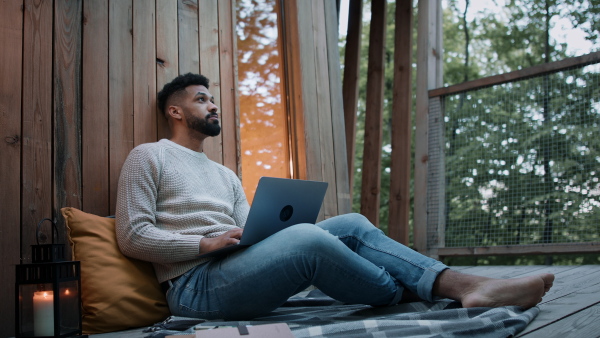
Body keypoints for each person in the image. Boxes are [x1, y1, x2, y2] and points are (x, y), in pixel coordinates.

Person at [116, 73, 554, 320]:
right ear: (175, 111)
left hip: (234, 269)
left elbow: (251, 232)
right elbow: (132, 236)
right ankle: (426, 289)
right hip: (193, 288)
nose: (213, 106)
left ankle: (464, 287)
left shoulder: (224, 174)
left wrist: (257, 235)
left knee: (353, 223)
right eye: (201, 100)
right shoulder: (148, 157)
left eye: (213, 100)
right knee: (308, 240)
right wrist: (204, 244)